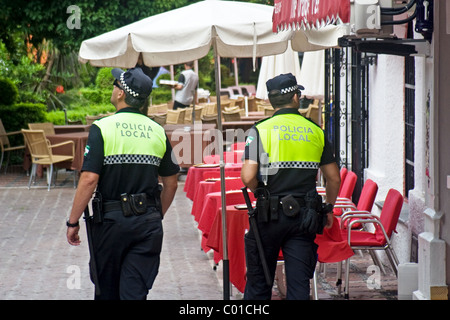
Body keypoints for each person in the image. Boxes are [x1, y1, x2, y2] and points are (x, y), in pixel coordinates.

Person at [66, 67, 180, 300]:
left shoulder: (102, 128)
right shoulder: (158, 131)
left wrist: (73, 221)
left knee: (107, 292)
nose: (113, 87)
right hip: (147, 223)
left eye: (115, 84)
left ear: (121, 94)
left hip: (111, 224)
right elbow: (172, 184)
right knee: (134, 294)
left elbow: (89, 179)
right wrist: (156, 215)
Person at [240, 73, 341, 300]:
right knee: (298, 287)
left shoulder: (259, 130)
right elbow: (333, 178)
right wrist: (329, 208)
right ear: (296, 97)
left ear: (271, 101)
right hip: (304, 219)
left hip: (268, 217)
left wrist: (260, 191)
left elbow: (247, 177)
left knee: (259, 284)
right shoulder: (316, 131)